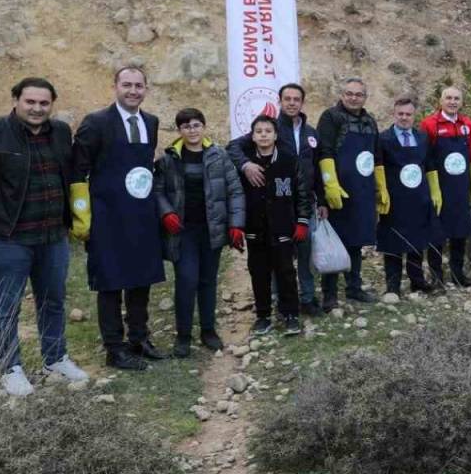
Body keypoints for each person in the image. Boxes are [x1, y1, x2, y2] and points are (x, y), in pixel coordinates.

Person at [0, 77, 88, 395]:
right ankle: (9, 368)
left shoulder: (61, 133)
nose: (37, 108)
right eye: (30, 102)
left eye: (43, 103)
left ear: (51, 104)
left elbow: (70, 177)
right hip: (9, 239)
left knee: (52, 301)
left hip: (53, 237)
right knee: (6, 306)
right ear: (15, 100)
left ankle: (55, 358)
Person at [69, 66, 167, 370]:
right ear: (115, 86)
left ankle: (139, 338)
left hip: (141, 215)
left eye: (139, 85)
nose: (133, 91)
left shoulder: (151, 122)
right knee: (110, 282)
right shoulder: (95, 123)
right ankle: (114, 348)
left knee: (142, 278)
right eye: (127, 85)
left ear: (146, 89)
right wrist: (82, 216)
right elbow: (77, 171)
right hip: (107, 217)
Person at [229, 83, 327, 318]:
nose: (292, 102)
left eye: (296, 99)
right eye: (287, 98)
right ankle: (277, 299)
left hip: (304, 200)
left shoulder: (311, 133)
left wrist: (322, 200)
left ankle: (307, 298)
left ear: (302, 102)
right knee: (277, 255)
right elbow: (233, 146)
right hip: (276, 203)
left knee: (305, 252)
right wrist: (245, 164)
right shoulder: (269, 127)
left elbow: (317, 166)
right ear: (280, 101)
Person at [154, 108, 245, 358]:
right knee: (186, 280)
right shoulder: (168, 159)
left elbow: (235, 191)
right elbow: (158, 190)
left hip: (211, 230)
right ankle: (183, 335)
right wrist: (165, 213)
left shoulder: (219, 156)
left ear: (203, 127)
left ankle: (208, 331)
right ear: (179, 131)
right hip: (183, 232)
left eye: (196, 125)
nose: (192, 130)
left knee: (208, 280)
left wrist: (236, 224)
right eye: (186, 126)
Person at [316, 77, 387, 308]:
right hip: (338, 192)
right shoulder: (330, 117)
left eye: (358, 94)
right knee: (334, 243)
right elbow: (324, 152)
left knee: (356, 241)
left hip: (363, 192)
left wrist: (381, 187)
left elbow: (376, 157)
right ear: (342, 94)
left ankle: (354, 288)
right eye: (349, 93)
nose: (353, 98)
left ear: (365, 97)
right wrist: (330, 186)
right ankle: (329, 294)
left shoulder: (369, 121)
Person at [239, 115, 311, 337]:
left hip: (283, 226)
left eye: (268, 131)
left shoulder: (289, 159)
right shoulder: (246, 164)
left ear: (276, 135)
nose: (263, 135)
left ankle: (290, 315)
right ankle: (263, 316)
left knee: (286, 271)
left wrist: (301, 221)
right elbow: (235, 195)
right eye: (258, 131)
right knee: (258, 272)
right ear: (252, 136)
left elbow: (302, 191)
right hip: (255, 227)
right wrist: (237, 225)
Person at [418, 86, 471, 288]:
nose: (452, 102)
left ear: (461, 102)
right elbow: (425, 158)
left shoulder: (467, 124)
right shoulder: (429, 124)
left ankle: (457, 274)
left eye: (456, 98)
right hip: (439, 187)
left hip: (461, 188)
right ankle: (436, 276)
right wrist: (431, 188)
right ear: (441, 101)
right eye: (448, 98)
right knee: (437, 233)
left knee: (460, 232)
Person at [377, 97, 438, 295]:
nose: (404, 118)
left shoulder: (422, 138)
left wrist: (434, 192)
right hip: (394, 199)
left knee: (417, 242)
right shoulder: (383, 139)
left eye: (408, 114)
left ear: (414, 116)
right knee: (392, 242)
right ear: (394, 115)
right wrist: (381, 193)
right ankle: (392, 286)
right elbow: (378, 168)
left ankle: (417, 281)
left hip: (418, 198)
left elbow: (429, 166)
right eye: (400, 114)